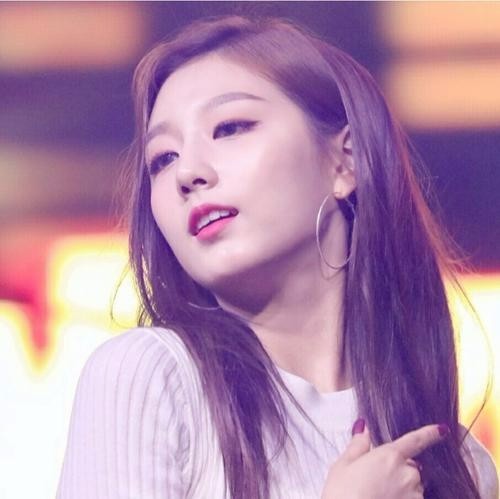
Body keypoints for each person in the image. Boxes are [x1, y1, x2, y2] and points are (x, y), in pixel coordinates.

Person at [56, 15, 499, 499]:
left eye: (229, 128)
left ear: (345, 161)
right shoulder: (149, 378)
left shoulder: (460, 465)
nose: (188, 172)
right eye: (163, 158)